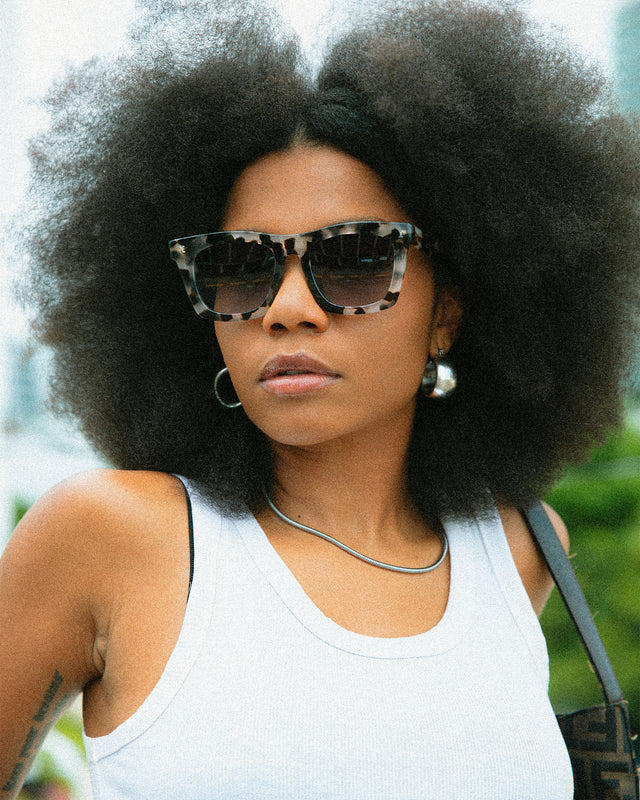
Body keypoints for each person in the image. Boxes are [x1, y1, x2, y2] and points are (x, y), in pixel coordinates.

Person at [1, 0, 639, 797]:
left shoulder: (522, 544)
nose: (287, 307)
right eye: (240, 266)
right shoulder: (111, 536)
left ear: (447, 313)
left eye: (357, 258)